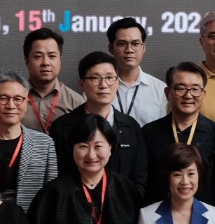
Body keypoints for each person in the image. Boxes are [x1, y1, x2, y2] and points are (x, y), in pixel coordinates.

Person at [49, 52, 148, 192]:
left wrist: (127, 202)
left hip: (123, 203)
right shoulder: (62, 127)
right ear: (82, 84)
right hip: (75, 203)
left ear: (117, 82)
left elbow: (140, 177)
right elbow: (57, 175)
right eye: (95, 78)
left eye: (110, 78)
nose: (103, 85)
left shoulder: (131, 127)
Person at [141, 63, 215, 205]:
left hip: (204, 216)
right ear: (167, 93)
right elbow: (142, 180)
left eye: (195, 89)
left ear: (203, 94)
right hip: (157, 216)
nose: (188, 95)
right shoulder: (149, 132)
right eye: (180, 88)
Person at [0, 72, 57, 211]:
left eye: (18, 99)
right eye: (3, 98)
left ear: (26, 103)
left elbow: (51, 193)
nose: (11, 105)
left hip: (30, 219)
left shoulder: (45, 144)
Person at [19, 28, 83, 133]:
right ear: (26, 61)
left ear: (60, 60)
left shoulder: (76, 102)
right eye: (38, 56)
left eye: (52, 56)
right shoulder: (13, 99)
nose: (45, 62)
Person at [107, 17, 168, 126]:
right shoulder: (98, 87)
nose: (129, 50)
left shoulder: (160, 90)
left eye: (135, 44)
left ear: (143, 48)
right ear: (111, 49)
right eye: (122, 44)